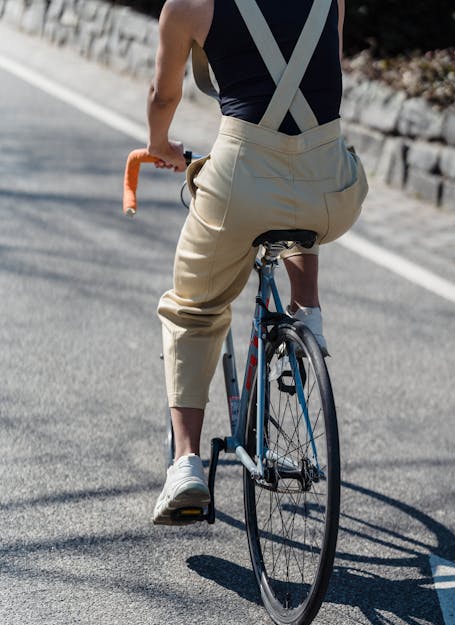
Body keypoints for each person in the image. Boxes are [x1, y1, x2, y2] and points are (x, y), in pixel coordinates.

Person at [147, 0, 368, 524]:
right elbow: (321, 84)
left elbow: (164, 94)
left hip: (240, 186)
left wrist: (160, 145)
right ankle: (307, 311)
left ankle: (186, 462)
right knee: (298, 194)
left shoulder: (188, 5)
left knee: (193, 308)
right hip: (331, 187)